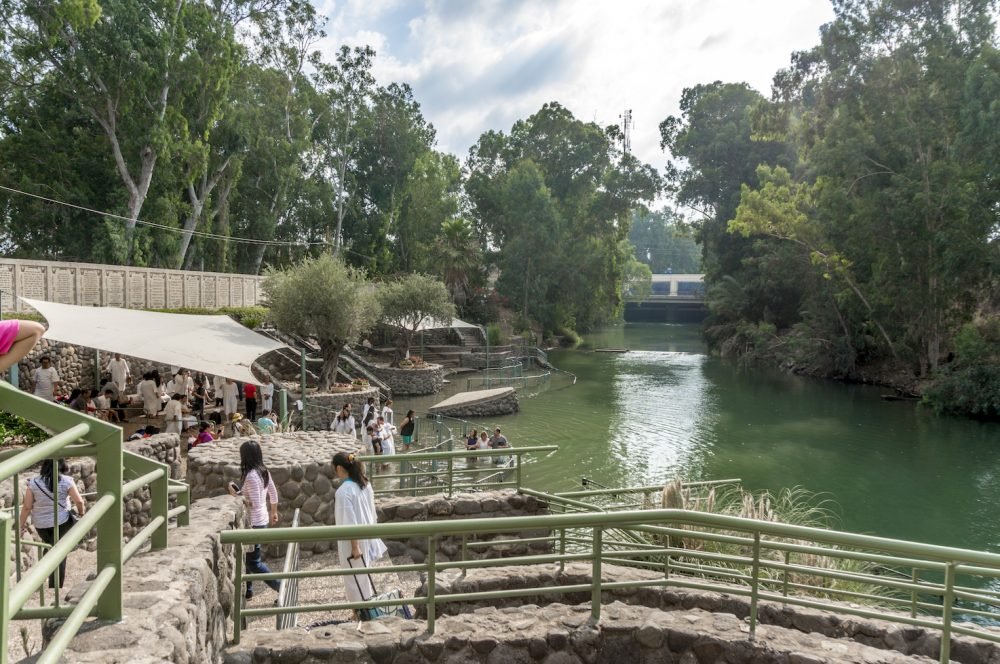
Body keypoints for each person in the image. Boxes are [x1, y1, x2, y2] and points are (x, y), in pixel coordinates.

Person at [332, 451, 387, 618]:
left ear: (340, 468)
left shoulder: (344, 492)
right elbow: (371, 510)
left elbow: (349, 522)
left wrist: (354, 547)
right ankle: (364, 609)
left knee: (353, 578)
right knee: (363, 575)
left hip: (353, 541)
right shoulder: (364, 483)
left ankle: (360, 612)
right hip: (367, 533)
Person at [18, 459, 86, 588]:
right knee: (60, 550)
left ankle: (44, 574)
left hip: (41, 524)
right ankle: (55, 585)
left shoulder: (34, 482)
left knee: (51, 546)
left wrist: (21, 525)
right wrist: (82, 515)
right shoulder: (66, 481)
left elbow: (27, 507)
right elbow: (79, 502)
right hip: (62, 521)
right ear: (62, 466)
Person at [228, 441, 280, 600]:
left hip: (254, 524)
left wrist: (235, 494)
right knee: (249, 557)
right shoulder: (264, 471)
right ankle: (248, 590)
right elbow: (273, 492)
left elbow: (254, 504)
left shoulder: (251, 476)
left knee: (253, 563)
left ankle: (281, 586)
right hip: (262, 520)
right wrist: (273, 511)